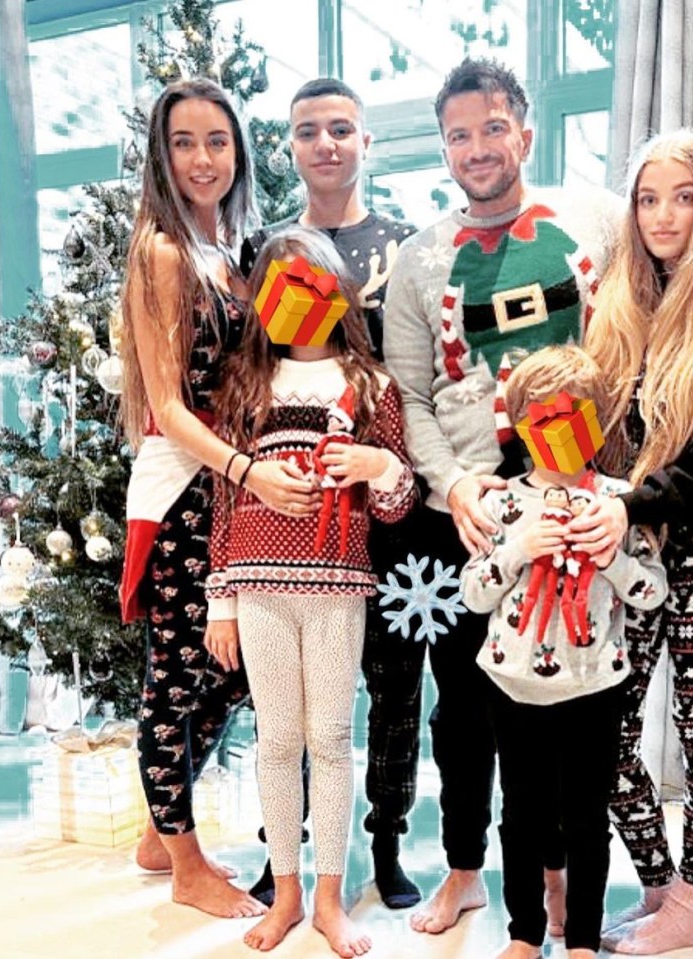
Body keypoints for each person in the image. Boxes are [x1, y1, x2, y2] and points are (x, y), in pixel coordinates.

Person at [381, 57, 693, 936]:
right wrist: (452, 486)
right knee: (514, 713)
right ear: (441, 146)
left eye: (494, 128)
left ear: (524, 132)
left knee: (650, 715)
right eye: (458, 134)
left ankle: (655, 895)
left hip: (624, 517)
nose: (478, 148)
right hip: (505, 511)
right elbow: (406, 392)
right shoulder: (420, 259)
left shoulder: (598, 219)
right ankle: (521, 876)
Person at [567, 131, 693, 955]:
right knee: (608, 728)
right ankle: (660, 885)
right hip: (636, 543)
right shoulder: (619, 310)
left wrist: (634, 502)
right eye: (648, 197)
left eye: (682, 196)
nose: (662, 215)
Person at [203, 226, 418, 956]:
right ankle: (287, 890)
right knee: (276, 741)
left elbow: (397, 501)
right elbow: (222, 499)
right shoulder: (244, 383)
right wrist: (221, 598)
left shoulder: (370, 385)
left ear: (336, 293)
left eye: (311, 283)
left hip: (335, 586)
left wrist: (378, 467)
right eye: (282, 285)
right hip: (260, 587)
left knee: (328, 739)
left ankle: (329, 894)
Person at [241, 78, 424, 910]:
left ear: (364, 141)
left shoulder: (404, 244)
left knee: (386, 694)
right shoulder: (267, 249)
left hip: (377, 490)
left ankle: (382, 842)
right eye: (308, 131)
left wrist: (388, 467)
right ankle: (284, 855)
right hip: (279, 526)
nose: (325, 144)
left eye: (341, 129)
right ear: (290, 146)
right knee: (284, 716)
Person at [118, 77, 294, 919]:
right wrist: (249, 470)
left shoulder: (235, 248)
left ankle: (161, 831)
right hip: (191, 481)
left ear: (238, 150)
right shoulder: (161, 253)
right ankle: (185, 865)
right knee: (178, 678)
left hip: (229, 481)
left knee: (228, 674)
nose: (201, 158)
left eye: (216, 141)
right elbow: (168, 405)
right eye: (183, 142)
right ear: (163, 153)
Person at [460, 345, 668, 959]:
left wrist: (612, 558)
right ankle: (524, 934)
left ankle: (581, 940)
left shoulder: (619, 501)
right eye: (541, 417)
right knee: (521, 816)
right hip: (511, 684)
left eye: (571, 416)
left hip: (594, 687)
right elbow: (473, 594)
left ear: (596, 419)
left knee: (585, 820)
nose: (555, 430)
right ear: (520, 424)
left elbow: (651, 592)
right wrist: (518, 547)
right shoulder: (499, 503)